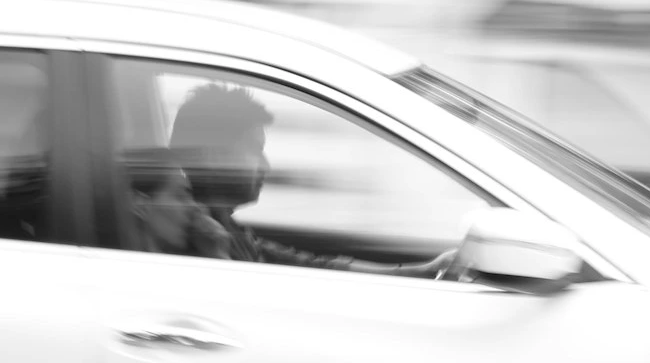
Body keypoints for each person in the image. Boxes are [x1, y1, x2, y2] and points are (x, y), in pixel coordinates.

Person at [165, 83, 453, 276]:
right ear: (215, 156)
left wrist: (425, 271)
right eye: (255, 150)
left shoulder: (225, 225)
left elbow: (312, 267)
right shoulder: (194, 233)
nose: (265, 166)